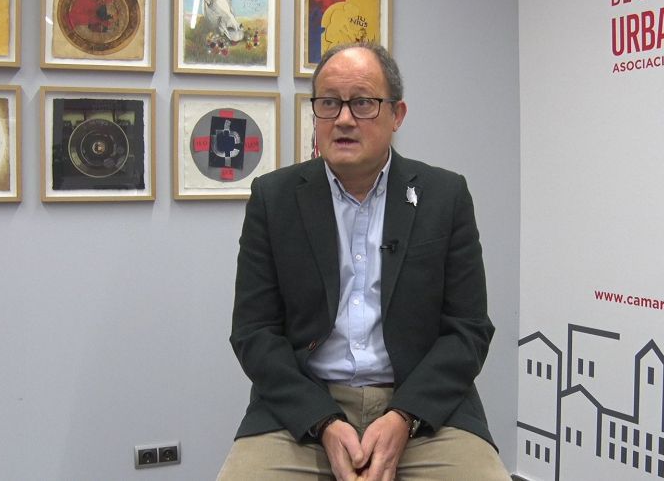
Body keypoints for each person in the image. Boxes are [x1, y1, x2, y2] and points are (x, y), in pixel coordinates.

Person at [217, 42, 509, 481]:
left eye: (363, 103)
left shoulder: (444, 196)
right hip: (304, 405)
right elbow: (253, 332)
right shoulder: (273, 198)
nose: (344, 119)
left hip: (423, 406)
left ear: (397, 114)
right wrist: (322, 421)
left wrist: (404, 416)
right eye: (329, 103)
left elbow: (468, 329)